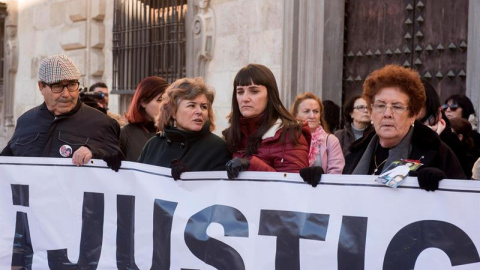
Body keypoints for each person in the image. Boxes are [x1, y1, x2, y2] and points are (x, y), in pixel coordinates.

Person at [343, 65, 466, 191]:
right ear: (371, 111)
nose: (387, 114)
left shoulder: (437, 153)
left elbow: (462, 201)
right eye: (380, 106)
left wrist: (444, 186)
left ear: (412, 114)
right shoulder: (356, 153)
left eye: (397, 107)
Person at [0, 54, 123, 171]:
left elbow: (119, 163)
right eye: (57, 86)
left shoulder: (103, 123)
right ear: (41, 87)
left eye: (72, 85)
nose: (66, 94)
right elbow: (6, 162)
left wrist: (94, 151)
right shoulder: (25, 121)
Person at [223, 64, 310, 180]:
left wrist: (251, 164)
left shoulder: (290, 133)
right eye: (240, 92)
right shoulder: (233, 134)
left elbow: (293, 188)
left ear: (270, 95)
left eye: (254, 91)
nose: (245, 98)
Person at [138, 77, 231, 179]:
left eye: (204, 107)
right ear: (173, 111)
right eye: (191, 105)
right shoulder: (153, 145)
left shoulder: (217, 147)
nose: (199, 111)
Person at [291, 92, 344, 174]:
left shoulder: (331, 141)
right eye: (306, 111)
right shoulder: (287, 139)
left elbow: (335, 173)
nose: (312, 116)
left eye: (316, 111)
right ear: (295, 116)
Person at [120, 76, 169, 161]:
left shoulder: (172, 132)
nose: (164, 105)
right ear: (143, 102)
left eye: (167, 100)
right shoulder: (125, 134)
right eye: (159, 100)